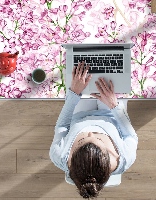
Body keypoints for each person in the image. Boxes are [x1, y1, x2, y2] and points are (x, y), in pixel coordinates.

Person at [50, 61, 138, 198]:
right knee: (114, 73)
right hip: (111, 114)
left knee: (78, 77)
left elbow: (62, 126)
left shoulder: (59, 156)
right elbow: (130, 136)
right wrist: (114, 105)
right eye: (98, 139)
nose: (90, 132)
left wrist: (74, 93)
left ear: (71, 158)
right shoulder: (126, 158)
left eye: (82, 140)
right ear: (110, 156)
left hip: (79, 115)